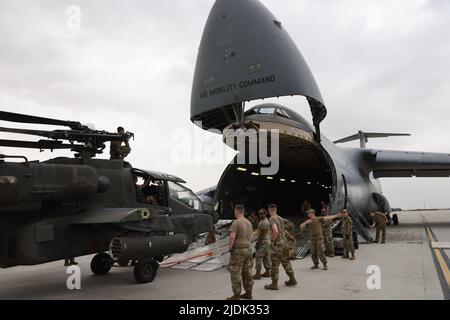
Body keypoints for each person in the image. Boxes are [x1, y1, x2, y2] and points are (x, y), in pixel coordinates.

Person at [264, 204, 297, 291]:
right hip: (284, 243)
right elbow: (285, 229)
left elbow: (275, 231)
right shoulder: (280, 218)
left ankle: (274, 284)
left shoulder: (272, 218)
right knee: (285, 261)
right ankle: (292, 279)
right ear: (276, 210)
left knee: (275, 264)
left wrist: (272, 240)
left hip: (277, 244)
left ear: (269, 210)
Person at [227, 205, 254, 300]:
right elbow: (251, 237)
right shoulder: (249, 222)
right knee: (247, 272)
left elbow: (232, 237)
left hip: (238, 251)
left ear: (236, 211)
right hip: (248, 249)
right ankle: (248, 292)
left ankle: (236, 295)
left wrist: (230, 248)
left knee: (236, 272)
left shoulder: (236, 222)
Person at [253, 209, 272, 280]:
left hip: (263, 242)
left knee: (258, 257)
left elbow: (261, 234)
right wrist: (254, 233)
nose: (260, 215)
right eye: (259, 214)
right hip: (267, 241)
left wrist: (258, 243)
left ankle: (258, 274)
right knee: (266, 257)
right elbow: (259, 230)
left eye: (262, 214)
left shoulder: (264, 222)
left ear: (265, 214)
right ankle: (268, 272)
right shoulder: (262, 220)